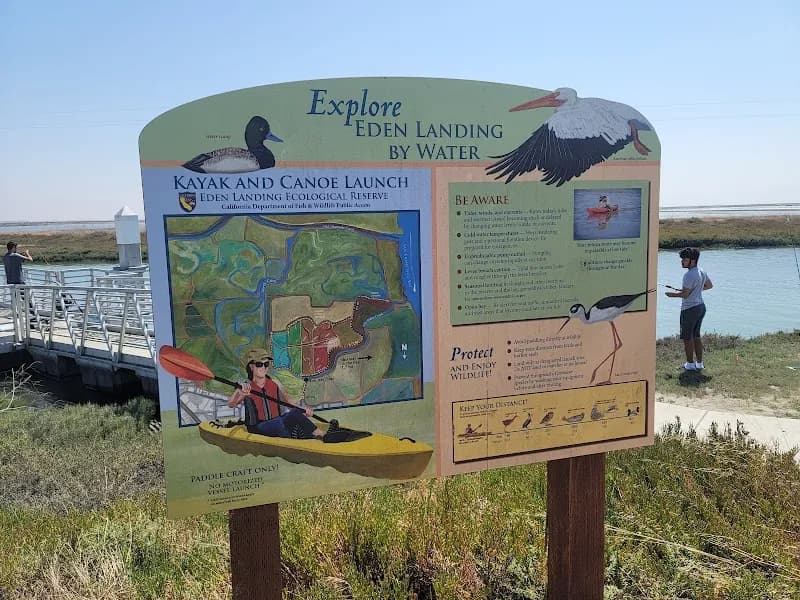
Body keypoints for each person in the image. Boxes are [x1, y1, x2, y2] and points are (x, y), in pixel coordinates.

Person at [227, 348, 341, 441]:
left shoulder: (275, 383)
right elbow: (231, 404)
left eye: (266, 364)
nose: (263, 368)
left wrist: (304, 410)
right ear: (251, 367)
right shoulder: (245, 386)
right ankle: (299, 439)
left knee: (294, 413)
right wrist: (241, 394)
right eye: (259, 364)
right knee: (279, 423)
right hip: (258, 426)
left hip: (277, 420)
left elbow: (289, 403)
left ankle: (322, 435)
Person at [665, 247, 713, 370]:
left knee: (687, 337)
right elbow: (709, 285)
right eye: (682, 259)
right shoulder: (701, 271)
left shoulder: (688, 275)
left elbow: (685, 295)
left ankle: (690, 364)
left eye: (685, 260)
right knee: (696, 336)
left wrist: (672, 295)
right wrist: (694, 291)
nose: (682, 262)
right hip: (701, 307)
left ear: (693, 261)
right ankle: (699, 364)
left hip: (689, 309)